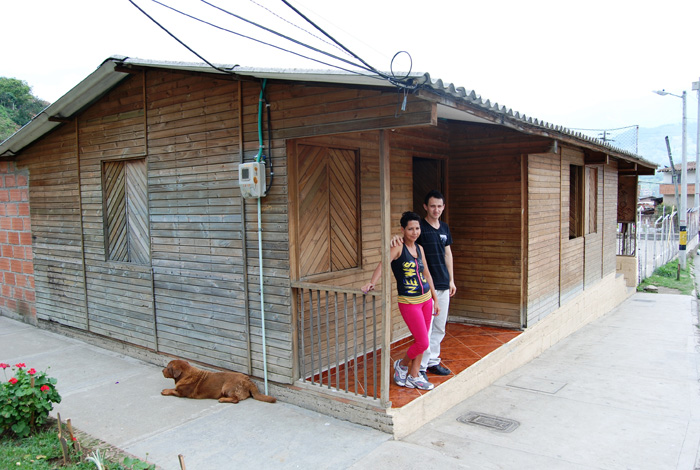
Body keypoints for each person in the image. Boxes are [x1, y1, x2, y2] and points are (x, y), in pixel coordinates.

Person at [362, 211, 440, 390]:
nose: (415, 232)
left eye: (417, 228)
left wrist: (435, 299)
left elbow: (426, 273)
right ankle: (402, 365)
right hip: (409, 302)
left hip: (426, 300)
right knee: (423, 342)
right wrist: (371, 282)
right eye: (410, 228)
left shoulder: (419, 249)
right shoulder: (398, 247)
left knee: (421, 340)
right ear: (403, 230)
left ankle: (414, 375)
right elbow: (383, 264)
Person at [392, 190, 456, 379]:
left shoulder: (444, 227)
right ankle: (419, 367)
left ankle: (432, 361)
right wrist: (394, 238)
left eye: (439, 206)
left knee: (439, 327)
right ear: (425, 207)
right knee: (425, 331)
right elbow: (405, 241)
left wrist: (451, 279)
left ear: (443, 207)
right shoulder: (420, 228)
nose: (436, 209)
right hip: (425, 286)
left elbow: (448, 254)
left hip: (443, 283)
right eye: (432, 206)